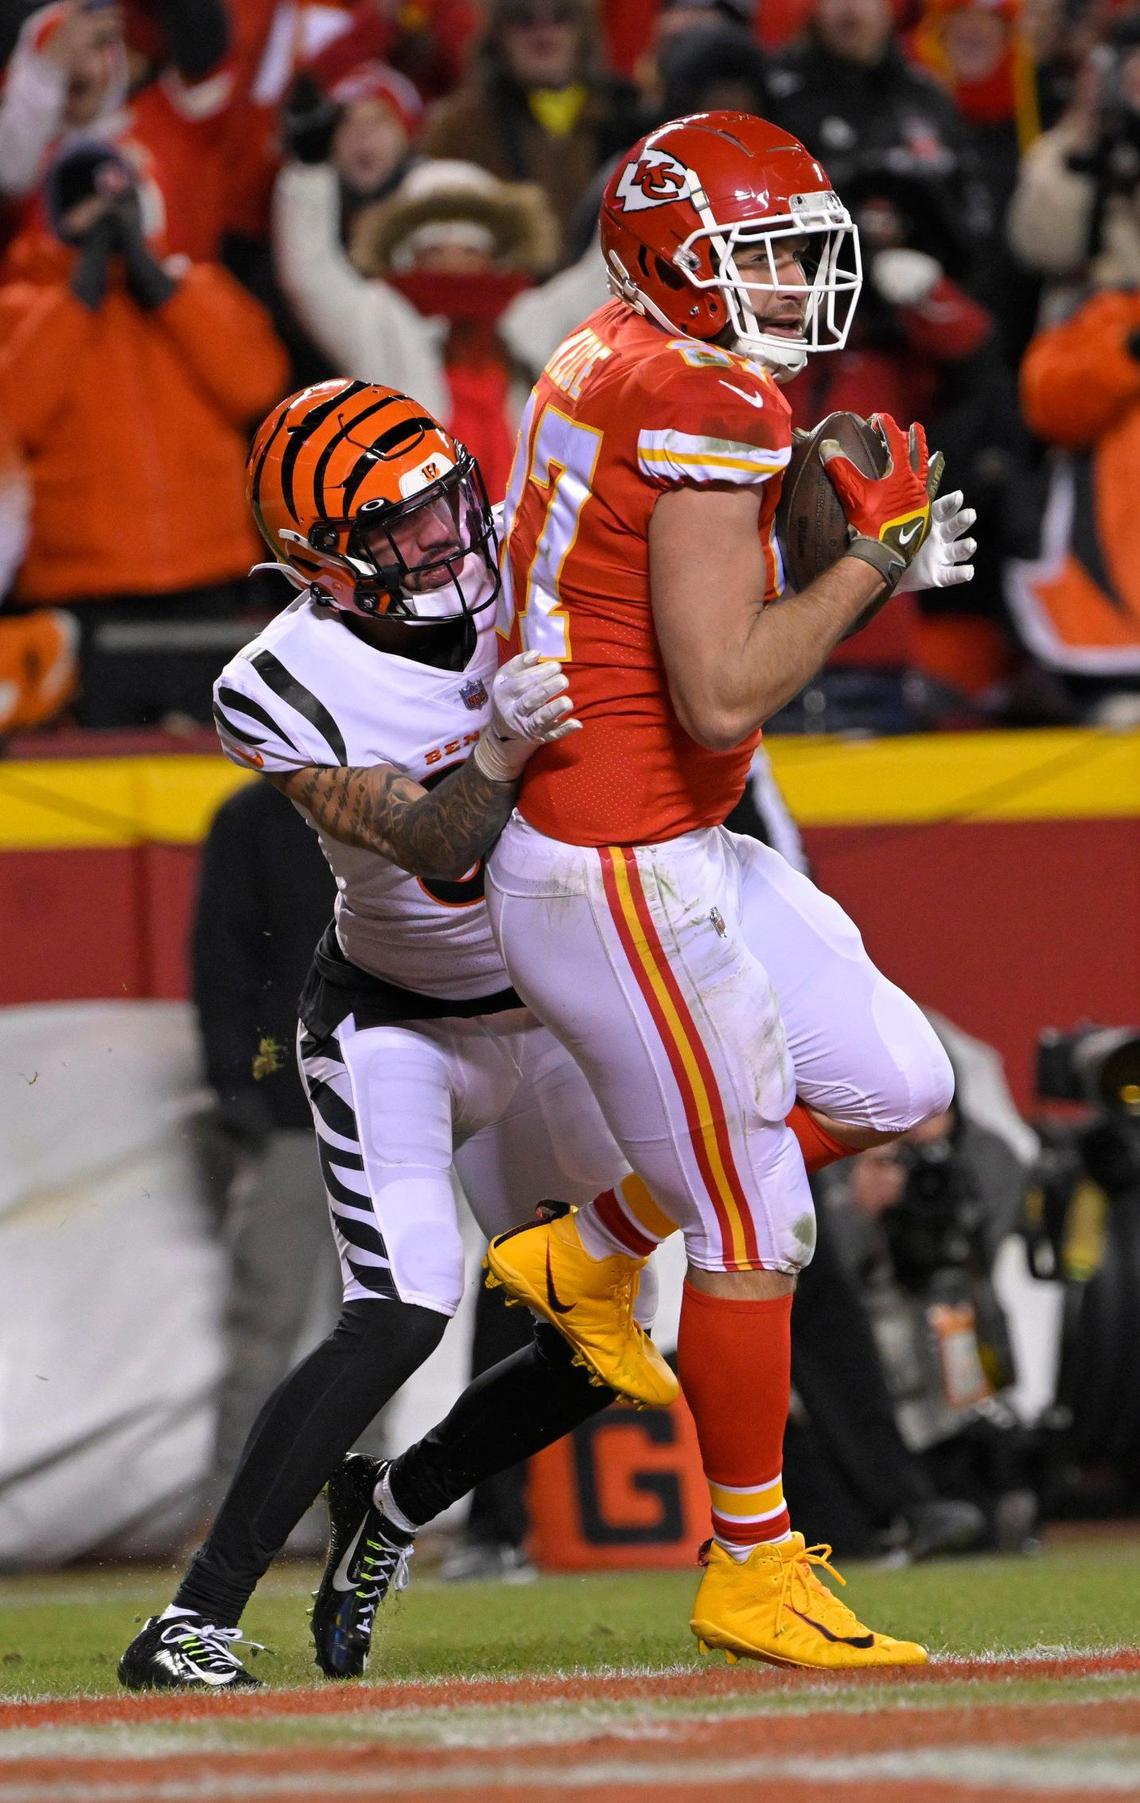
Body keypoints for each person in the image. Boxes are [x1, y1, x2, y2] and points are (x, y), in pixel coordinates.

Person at [473, 110, 976, 1671]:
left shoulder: (610, 349)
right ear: (679, 255)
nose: (788, 281)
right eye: (760, 250)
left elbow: (670, 587)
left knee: (902, 1078)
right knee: (762, 1204)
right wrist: (866, 561)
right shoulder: (701, 393)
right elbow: (722, 685)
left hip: (658, 835)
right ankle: (751, 1560)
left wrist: (819, 530)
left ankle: (598, 1239)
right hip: (614, 857)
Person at [117, 379, 674, 1692]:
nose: (440, 540)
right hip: (392, 1019)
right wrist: (498, 750)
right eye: (400, 528)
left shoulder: (516, 578)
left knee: (602, 1324)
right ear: (325, 562)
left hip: (542, 1012)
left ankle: (396, 1506)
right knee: (403, 1306)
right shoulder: (279, 681)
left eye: (441, 505)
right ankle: (189, 1618)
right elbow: (433, 848)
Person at [0, 140, 288, 727]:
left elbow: (256, 385)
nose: (107, 220)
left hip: (207, 579)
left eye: (120, 204)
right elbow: (14, 413)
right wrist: (81, 289)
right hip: (81, 589)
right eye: (86, 209)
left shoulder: (196, 287)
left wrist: (156, 281)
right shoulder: (23, 305)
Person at [187, 779, 341, 1537]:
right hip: (292, 1109)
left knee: (391, 1320)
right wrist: (237, 1079)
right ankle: (229, 1513)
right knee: (270, 1314)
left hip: (397, 1109)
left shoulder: (400, 794)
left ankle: (358, 1511)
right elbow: (223, 956)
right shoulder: (253, 819)